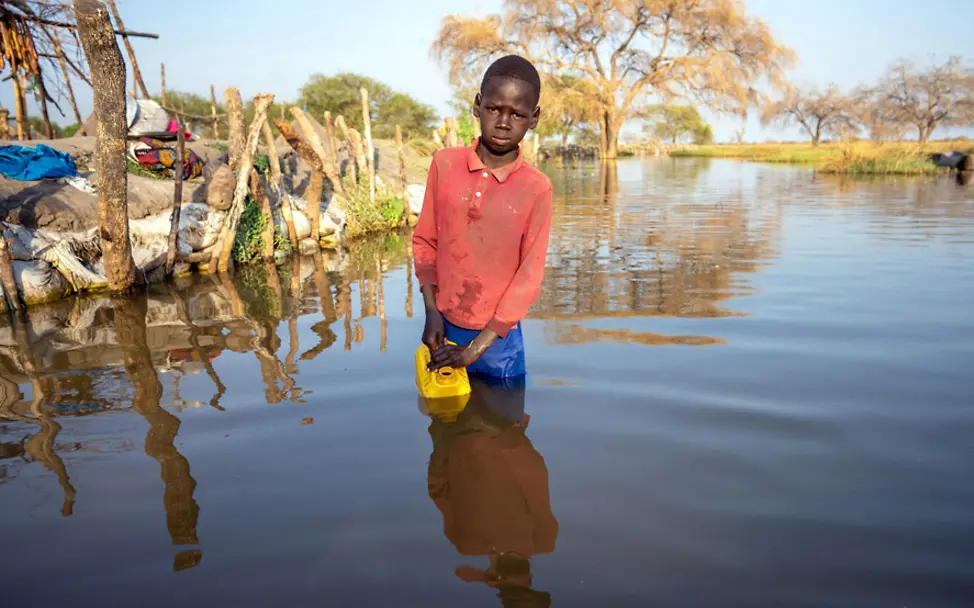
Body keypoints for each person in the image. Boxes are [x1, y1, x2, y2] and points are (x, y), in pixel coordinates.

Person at [413, 55, 553, 379]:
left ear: (533, 118)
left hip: (499, 343)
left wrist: (476, 349)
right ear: (478, 105)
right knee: (446, 425)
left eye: (517, 114)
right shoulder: (444, 165)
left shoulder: (537, 189)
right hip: (444, 331)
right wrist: (431, 311)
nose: (503, 122)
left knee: (505, 427)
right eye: (494, 109)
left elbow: (529, 277)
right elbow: (425, 241)